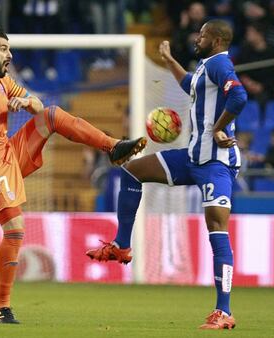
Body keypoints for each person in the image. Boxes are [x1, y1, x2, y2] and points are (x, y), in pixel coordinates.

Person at [0, 25, 146, 324]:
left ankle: (113, 147)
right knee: (15, 229)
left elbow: (38, 105)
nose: (10, 54)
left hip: (9, 155)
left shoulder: (4, 82)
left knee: (51, 114)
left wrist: (27, 102)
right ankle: (0, 308)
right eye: (4, 48)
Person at [86, 19, 247, 330]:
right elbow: (190, 85)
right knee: (130, 171)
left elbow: (239, 97)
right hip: (191, 157)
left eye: (202, 35)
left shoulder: (220, 64)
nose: (196, 39)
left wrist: (216, 129)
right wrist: (169, 60)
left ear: (216, 40)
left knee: (216, 227)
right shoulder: (205, 68)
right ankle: (121, 245)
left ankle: (223, 311)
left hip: (216, 163)